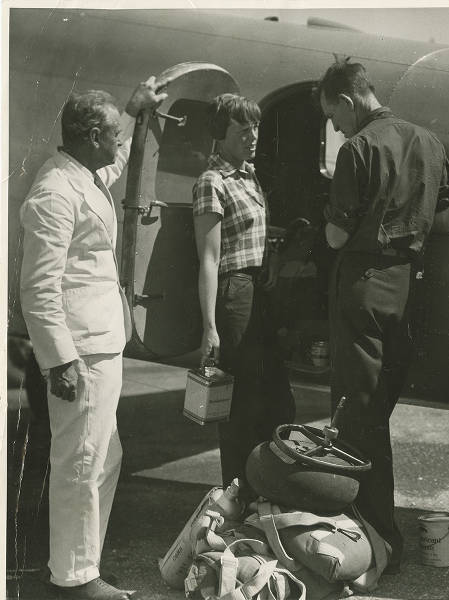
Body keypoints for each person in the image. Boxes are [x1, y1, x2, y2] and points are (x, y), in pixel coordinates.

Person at [20, 77, 169, 600]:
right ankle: (74, 580)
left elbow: (120, 157)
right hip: (79, 351)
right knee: (82, 461)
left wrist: (132, 111)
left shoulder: (85, 171)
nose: (118, 144)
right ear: (88, 135)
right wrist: (59, 361)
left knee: (102, 456)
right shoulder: (54, 193)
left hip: (101, 342)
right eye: (111, 133)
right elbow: (37, 289)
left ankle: (76, 565)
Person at [318, 60, 449, 573]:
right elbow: (444, 219)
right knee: (375, 412)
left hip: (364, 289)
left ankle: (375, 538)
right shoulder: (430, 143)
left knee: (358, 416)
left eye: (334, 115)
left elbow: (334, 237)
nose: (335, 127)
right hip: (410, 291)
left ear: (348, 101)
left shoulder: (358, 149)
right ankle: (374, 528)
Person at [193, 93, 295, 497]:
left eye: (255, 127)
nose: (253, 135)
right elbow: (208, 258)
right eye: (243, 129)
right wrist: (210, 328)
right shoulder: (211, 182)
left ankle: (266, 493)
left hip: (258, 291)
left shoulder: (249, 175)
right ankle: (238, 497)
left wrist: (269, 263)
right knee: (241, 405)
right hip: (234, 294)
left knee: (276, 399)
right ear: (221, 135)